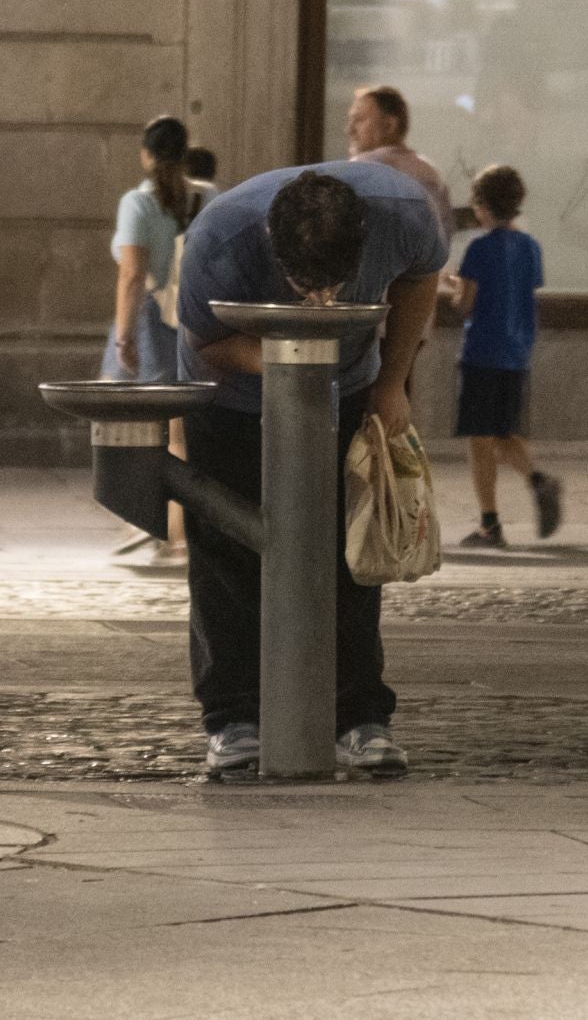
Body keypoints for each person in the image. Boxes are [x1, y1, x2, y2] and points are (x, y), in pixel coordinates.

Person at [176, 164, 446, 776]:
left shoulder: (402, 213)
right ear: (272, 242)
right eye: (305, 285)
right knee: (225, 552)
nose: (321, 300)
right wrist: (293, 360)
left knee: (352, 550)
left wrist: (393, 381)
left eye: (334, 285)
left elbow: (421, 280)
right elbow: (207, 342)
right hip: (229, 395)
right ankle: (234, 720)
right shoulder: (220, 239)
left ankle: (359, 718)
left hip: (346, 386)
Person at [104, 116, 212, 564]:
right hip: (192, 317)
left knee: (124, 418)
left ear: (145, 154)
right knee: (178, 428)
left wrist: (124, 337)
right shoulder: (206, 196)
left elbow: (132, 275)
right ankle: (173, 529)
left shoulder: (139, 203)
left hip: (149, 318)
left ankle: (149, 523)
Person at [439, 165, 562, 548]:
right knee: (505, 433)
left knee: (481, 442)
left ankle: (490, 524)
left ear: (482, 206)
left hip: (481, 353)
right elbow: (520, 290)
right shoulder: (530, 246)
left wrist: (452, 285)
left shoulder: (478, 248)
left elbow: (466, 305)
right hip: (517, 353)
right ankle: (538, 479)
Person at [346, 85, 456, 246]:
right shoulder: (431, 172)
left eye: (359, 120)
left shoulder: (361, 169)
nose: (349, 130)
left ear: (390, 125)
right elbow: (445, 233)